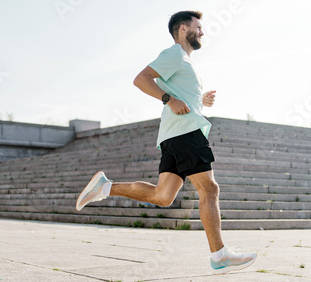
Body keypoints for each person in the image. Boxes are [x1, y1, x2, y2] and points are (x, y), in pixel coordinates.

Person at [75, 10, 257, 275]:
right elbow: (141, 79)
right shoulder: (174, 53)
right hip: (186, 133)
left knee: (163, 196)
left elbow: (178, 94)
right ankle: (220, 256)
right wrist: (168, 99)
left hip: (174, 135)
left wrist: (199, 101)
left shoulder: (184, 61)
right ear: (183, 29)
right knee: (209, 189)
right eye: (199, 27)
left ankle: (105, 187)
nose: (203, 32)